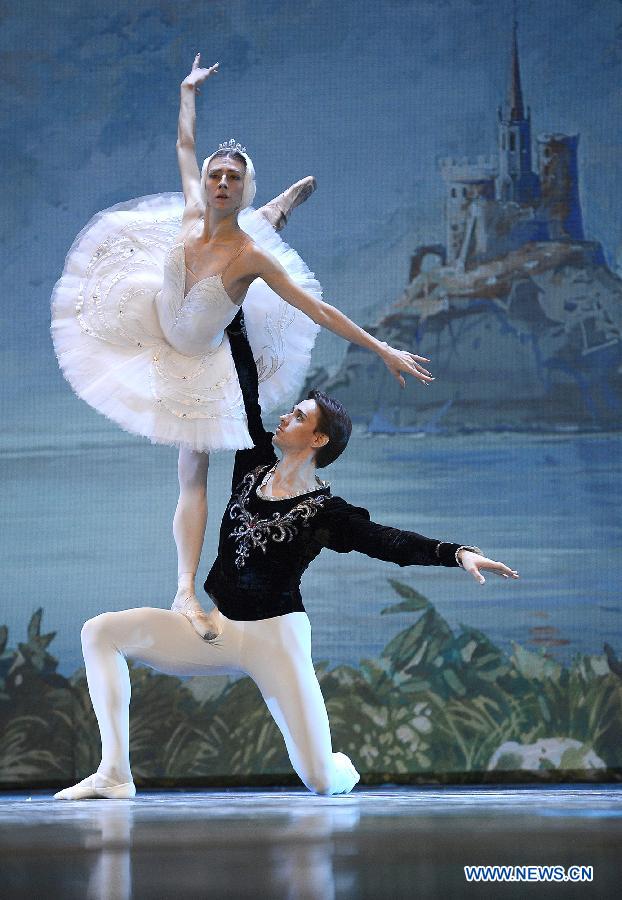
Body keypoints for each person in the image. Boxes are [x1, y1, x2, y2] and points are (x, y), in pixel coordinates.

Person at [50, 54, 434, 639]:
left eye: (233, 179)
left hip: (205, 352)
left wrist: (383, 348)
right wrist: (187, 91)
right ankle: (275, 212)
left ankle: (184, 589)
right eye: (216, 176)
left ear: (242, 186)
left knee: (197, 462)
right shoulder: (187, 211)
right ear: (207, 183)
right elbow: (184, 144)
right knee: (196, 267)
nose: (221, 182)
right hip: (156, 315)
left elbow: (318, 310)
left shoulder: (248, 257)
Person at [54, 321, 518, 801]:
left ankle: (338, 765)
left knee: (321, 780)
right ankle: (114, 773)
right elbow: (245, 391)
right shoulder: (252, 463)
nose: (285, 419)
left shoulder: (327, 512)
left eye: (298, 417)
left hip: (276, 641)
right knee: (100, 631)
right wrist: (225, 315)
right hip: (217, 628)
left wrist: (456, 553)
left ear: (318, 439)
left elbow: (388, 542)